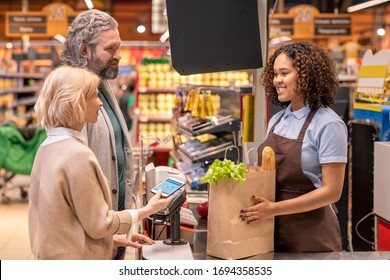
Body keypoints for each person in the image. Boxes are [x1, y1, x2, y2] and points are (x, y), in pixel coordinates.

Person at [28, 66, 173, 260]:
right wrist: (147, 210)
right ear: (77, 102)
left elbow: (62, 217)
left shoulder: (46, 148)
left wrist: (109, 241)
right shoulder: (77, 155)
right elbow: (99, 224)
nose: (100, 104)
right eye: (95, 96)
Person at [240, 41, 348, 252]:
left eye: (284, 73)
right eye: (274, 74)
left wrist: (274, 209)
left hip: (311, 235)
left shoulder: (328, 124)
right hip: (271, 229)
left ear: (306, 75)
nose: (277, 80)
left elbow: (332, 192)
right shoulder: (278, 120)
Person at [61, 9, 139, 258]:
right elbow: (74, 178)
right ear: (85, 50)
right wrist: (102, 234)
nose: (118, 56)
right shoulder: (72, 96)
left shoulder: (101, 85)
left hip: (110, 228)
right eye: (110, 49)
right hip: (92, 238)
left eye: (119, 48)